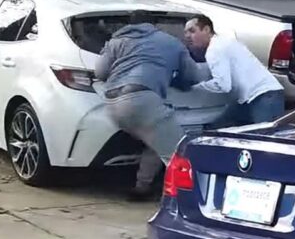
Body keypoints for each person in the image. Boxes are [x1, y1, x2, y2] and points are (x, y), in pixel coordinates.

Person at [95, 11, 191, 201]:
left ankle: (141, 188)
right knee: (180, 152)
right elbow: (191, 76)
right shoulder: (170, 42)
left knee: (155, 141)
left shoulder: (116, 41)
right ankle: (187, 199)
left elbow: (100, 72)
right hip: (142, 100)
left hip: (112, 104)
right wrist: (174, 79)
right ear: (154, 25)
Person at [183, 15, 285, 126]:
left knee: (264, 135)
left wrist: (195, 87)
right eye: (185, 33)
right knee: (218, 128)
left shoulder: (215, 49)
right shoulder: (223, 41)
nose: (187, 36)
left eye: (192, 31)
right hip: (251, 98)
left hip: (264, 96)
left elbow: (223, 85)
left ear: (207, 29)